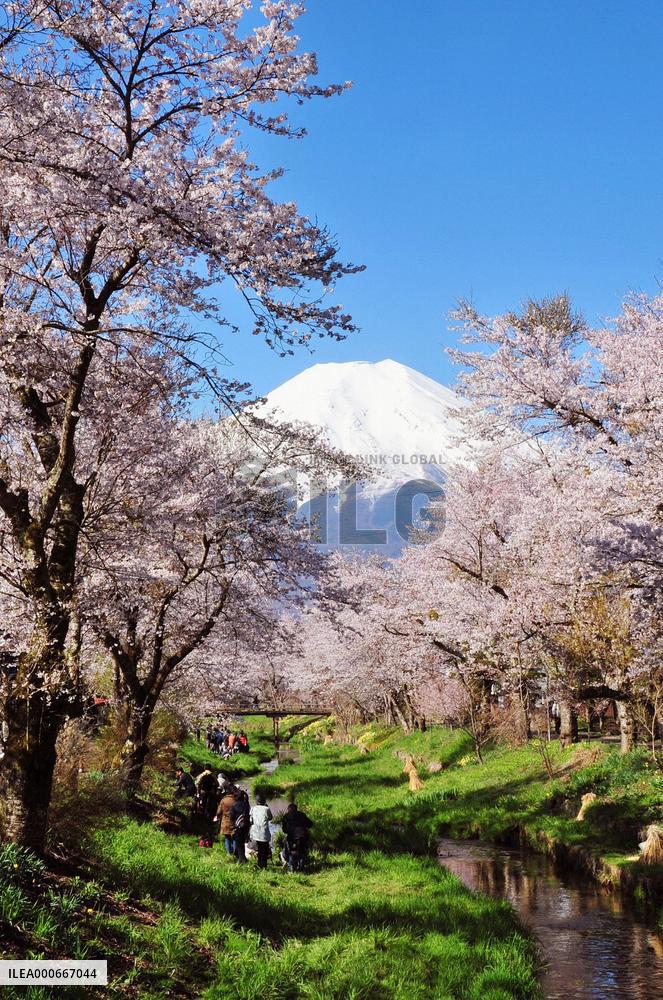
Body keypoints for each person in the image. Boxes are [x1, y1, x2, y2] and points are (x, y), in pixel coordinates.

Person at [281, 802, 313, 872]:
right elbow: (310, 824)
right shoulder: (302, 814)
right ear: (296, 809)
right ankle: (302, 864)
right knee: (303, 850)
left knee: (289, 851)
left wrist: (289, 830)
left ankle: (291, 866)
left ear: (288, 809)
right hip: (303, 837)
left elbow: (284, 830)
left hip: (291, 838)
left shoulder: (286, 816)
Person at [249, 794, 273, 869]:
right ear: (264, 801)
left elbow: (250, 820)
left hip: (255, 832)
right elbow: (270, 818)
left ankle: (259, 863)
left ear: (256, 801)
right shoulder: (266, 809)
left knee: (259, 848)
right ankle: (264, 864)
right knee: (265, 848)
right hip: (264, 833)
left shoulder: (253, 808)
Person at [230, 788, 250, 863]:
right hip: (246, 827)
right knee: (242, 843)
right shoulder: (246, 805)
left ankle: (242, 860)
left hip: (238, 827)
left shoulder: (234, 806)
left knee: (239, 844)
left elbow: (231, 817)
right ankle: (242, 858)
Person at [216, 785, 237, 856]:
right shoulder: (235, 800)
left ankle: (228, 853)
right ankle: (235, 853)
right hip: (234, 822)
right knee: (234, 838)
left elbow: (218, 812)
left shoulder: (223, 800)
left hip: (225, 822)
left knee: (227, 838)